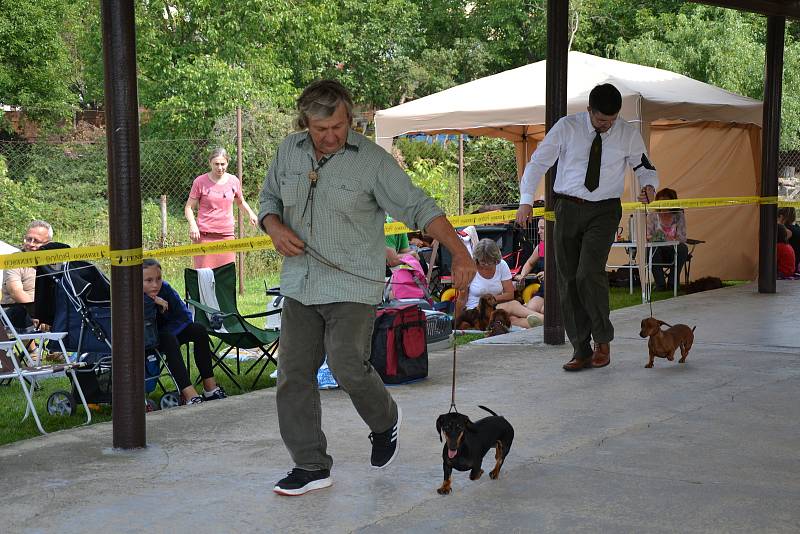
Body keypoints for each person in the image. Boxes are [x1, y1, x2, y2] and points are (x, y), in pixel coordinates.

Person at [258, 79, 475, 496]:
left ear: (350, 117)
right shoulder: (288, 150)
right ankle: (310, 465)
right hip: (301, 282)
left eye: (338, 126)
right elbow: (268, 199)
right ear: (305, 122)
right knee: (293, 374)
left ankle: (384, 419)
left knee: (344, 363)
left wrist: (460, 253)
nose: (330, 136)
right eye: (320, 129)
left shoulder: (372, 162)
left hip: (353, 283)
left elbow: (419, 206)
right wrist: (273, 226)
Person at [516, 83, 658, 372]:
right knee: (568, 280)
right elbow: (537, 163)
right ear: (589, 110)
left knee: (588, 272)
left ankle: (602, 340)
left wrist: (649, 187)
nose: (607, 125)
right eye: (601, 119)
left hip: (604, 210)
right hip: (566, 207)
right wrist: (526, 200)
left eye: (612, 119)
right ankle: (581, 349)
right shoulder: (567, 127)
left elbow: (645, 168)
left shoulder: (628, 133)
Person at [142, 259, 227, 404]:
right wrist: (152, 301)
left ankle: (210, 389)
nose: (155, 284)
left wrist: (172, 329)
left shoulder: (166, 289)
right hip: (146, 340)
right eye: (148, 280)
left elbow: (185, 316)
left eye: (158, 279)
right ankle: (190, 394)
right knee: (169, 339)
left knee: (198, 329)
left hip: (168, 333)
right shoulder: (131, 296)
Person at [185, 147, 260, 269]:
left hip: (227, 236)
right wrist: (193, 225)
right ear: (210, 163)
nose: (220, 168)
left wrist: (251, 214)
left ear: (227, 163)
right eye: (216, 164)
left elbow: (240, 202)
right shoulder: (200, 182)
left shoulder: (234, 181)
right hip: (205, 236)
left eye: (222, 164)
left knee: (226, 278)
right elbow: (189, 207)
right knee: (205, 278)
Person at [455, 238, 542, 329]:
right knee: (512, 305)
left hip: (495, 307)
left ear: (496, 259)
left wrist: (490, 300)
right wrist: (456, 321)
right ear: (477, 259)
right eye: (482, 262)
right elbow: (461, 299)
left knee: (511, 319)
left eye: (489, 262)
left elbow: (510, 294)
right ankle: (544, 319)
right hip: (476, 312)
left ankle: (539, 325)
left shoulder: (502, 265)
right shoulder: (470, 269)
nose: (486, 265)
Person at [1, 220, 52, 335]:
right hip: (16, 310)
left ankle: (58, 349)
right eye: (29, 239)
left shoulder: (54, 261)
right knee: (21, 312)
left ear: (48, 243)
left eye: (37, 241)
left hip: (47, 309)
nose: (31, 244)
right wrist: (37, 313)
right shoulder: (15, 260)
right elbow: (15, 292)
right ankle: (33, 352)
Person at [646, 187, 688, 291]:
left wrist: (673, 240)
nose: (663, 205)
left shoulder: (678, 215)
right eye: (660, 202)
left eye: (666, 202)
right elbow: (647, 236)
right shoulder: (652, 216)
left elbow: (682, 237)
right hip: (657, 250)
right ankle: (660, 284)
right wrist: (662, 238)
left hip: (673, 250)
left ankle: (672, 283)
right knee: (649, 250)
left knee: (683, 248)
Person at [513, 217, 546, 318]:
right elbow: (530, 263)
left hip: (559, 291)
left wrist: (548, 274)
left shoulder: (561, 246)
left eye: (542, 228)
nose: (539, 232)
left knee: (543, 310)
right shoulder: (540, 247)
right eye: (538, 229)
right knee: (530, 311)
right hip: (544, 291)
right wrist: (522, 275)